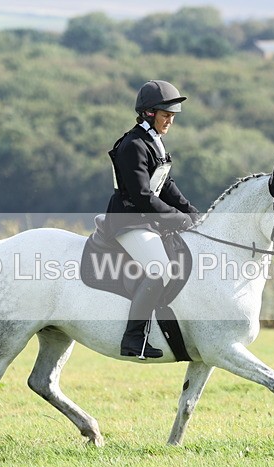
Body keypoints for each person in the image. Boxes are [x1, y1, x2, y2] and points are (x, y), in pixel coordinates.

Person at [105, 80, 200, 359]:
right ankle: (133, 339)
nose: (171, 120)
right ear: (148, 113)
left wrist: (192, 212)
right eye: (166, 114)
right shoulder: (134, 145)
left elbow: (166, 185)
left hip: (147, 220)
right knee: (160, 269)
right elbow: (143, 196)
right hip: (129, 220)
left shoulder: (154, 142)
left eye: (172, 115)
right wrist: (177, 218)